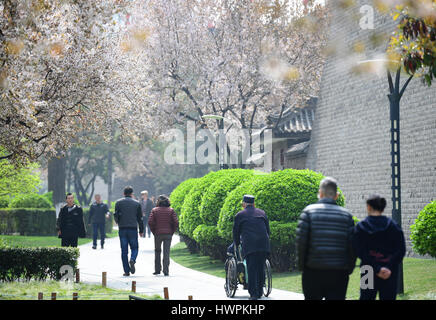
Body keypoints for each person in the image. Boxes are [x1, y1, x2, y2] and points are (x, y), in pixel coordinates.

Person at [296, 177, 356, 300]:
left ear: (320, 193)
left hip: (312, 271)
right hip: (339, 273)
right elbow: (353, 246)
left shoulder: (308, 212)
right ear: (336, 195)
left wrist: (302, 267)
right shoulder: (347, 216)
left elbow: (301, 243)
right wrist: (348, 268)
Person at [352, 194, 406, 300]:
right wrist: (388, 267)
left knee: (366, 297)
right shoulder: (393, 226)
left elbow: (359, 251)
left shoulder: (361, 227)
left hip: (367, 270)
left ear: (368, 207)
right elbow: (401, 250)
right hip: (390, 271)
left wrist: (376, 268)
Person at [232, 195, 270, 300]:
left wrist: (236, 243)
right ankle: (260, 290)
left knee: (252, 268)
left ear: (244, 204)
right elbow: (268, 230)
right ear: (254, 204)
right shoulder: (262, 213)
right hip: (263, 244)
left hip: (250, 245)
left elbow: (236, 232)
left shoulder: (240, 215)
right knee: (260, 267)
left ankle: (254, 294)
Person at [114, 186, 144, 276]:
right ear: (132, 194)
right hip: (133, 229)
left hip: (122, 229)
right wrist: (141, 230)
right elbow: (140, 218)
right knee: (134, 248)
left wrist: (118, 222)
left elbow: (116, 215)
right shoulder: (137, 204)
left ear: (124, 193)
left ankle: (126, 271)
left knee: (124, 251)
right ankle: (133, 259)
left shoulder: (118, 203)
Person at [148, 195, 178, 276]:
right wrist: (172, 231)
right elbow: (176, 222)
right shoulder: (171, 210)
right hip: (168, 234)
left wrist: (154, 231)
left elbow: (150, 222)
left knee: (157, 251)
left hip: (158, 234)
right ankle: (166, 270)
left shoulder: (154, 210)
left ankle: (157, 270)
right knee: (166, 252)